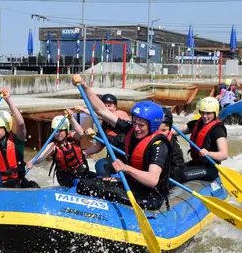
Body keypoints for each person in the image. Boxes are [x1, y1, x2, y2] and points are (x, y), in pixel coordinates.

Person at [72, 75, 172, 211]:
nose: (136, 128)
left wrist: (126, 168)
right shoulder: (131, 128)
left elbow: (152, 179)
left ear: (152, 125)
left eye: (141, 125)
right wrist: (85, 86)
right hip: (132, 185)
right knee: (84, 184)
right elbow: (102, 110)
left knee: (94, 188)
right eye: (135, 123)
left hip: (150, 196)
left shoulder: (159, 145)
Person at [27, 110, 96, 187]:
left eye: (61, 131)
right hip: (65, 176)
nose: (58, 134)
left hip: (80, 171)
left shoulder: (73, 137)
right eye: (56, 131)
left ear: (66, 130)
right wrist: (31, 161)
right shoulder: (52, 145)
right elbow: (41, 156)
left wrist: (71, 118)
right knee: (79, 183)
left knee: (98, 179)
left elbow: (80, 132)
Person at [0, 88, 40, 188]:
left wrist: (8, 100)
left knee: (34, 186)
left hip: (18, 181)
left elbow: (21, 123)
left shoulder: (17, 141)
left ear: (6, 128)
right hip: (0, 184)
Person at [173, 97, 228, 182]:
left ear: (215, 113)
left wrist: (208, 153)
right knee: (173, 171)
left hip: (209, 168)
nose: (205, 116)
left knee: (180, 176)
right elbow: (175, 131)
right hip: (195, 164)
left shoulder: (218, 130)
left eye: (208, 113)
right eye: (202, 113)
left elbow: (224, 155)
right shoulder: (196, 124)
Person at [80, 93, 130, 175]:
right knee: (100, 164)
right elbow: (97, 147)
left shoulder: (120, 114)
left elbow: (105, 115)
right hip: (116, 159)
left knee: (100, 164)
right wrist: (83, 153)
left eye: (109, 106)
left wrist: (84, 110)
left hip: (129, 158)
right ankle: (107, 184)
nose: (106, 109)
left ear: (115, 107)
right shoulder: (103, 126)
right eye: (104, 106)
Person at [160, 107, 185, 183]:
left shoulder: (172, 145)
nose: (160, 133)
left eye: (163, 130)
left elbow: (178, 169)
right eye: (157, 129)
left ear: (170, 129)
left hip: (173, 175)